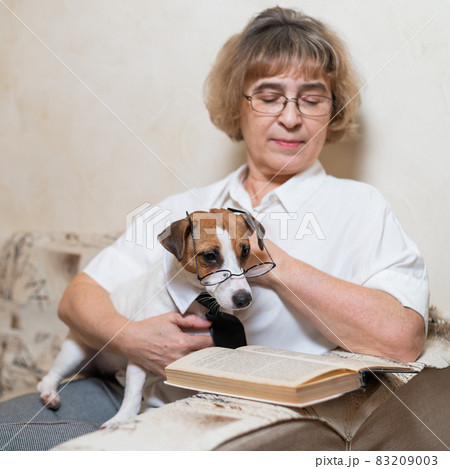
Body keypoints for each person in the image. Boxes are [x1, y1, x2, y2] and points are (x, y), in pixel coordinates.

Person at [0, 6, 429, 451]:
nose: (290, 118)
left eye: (312, 98)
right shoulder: (184, 210)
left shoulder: (359, 208)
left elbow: (402, 340)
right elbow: (76, 299)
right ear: (236, 105)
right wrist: (133, 339)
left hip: (256, 424)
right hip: (124, 393)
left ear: (331, 110)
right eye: (268, 95)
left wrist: (265, 257)